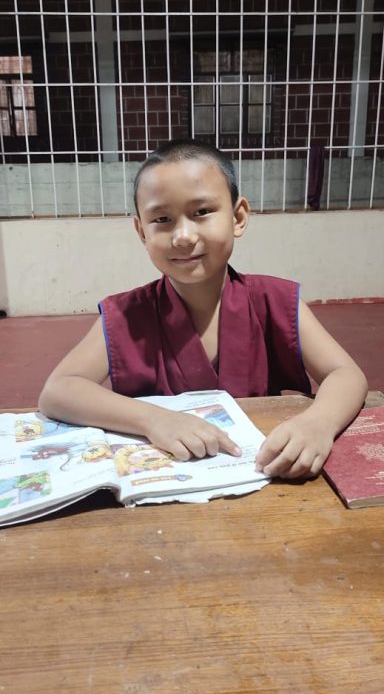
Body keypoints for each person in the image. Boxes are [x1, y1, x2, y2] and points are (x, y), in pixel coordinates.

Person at [39, 139, 368, 479]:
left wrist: (318, 423)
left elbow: (346, 374)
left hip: (260, 473)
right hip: (163, 485)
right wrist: (153, 419)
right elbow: (58, 390)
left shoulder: (274, 300)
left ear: (238, 217)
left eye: (202, 212)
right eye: (162, 219)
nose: (182, 235)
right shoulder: (125, 314)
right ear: (141, 231)